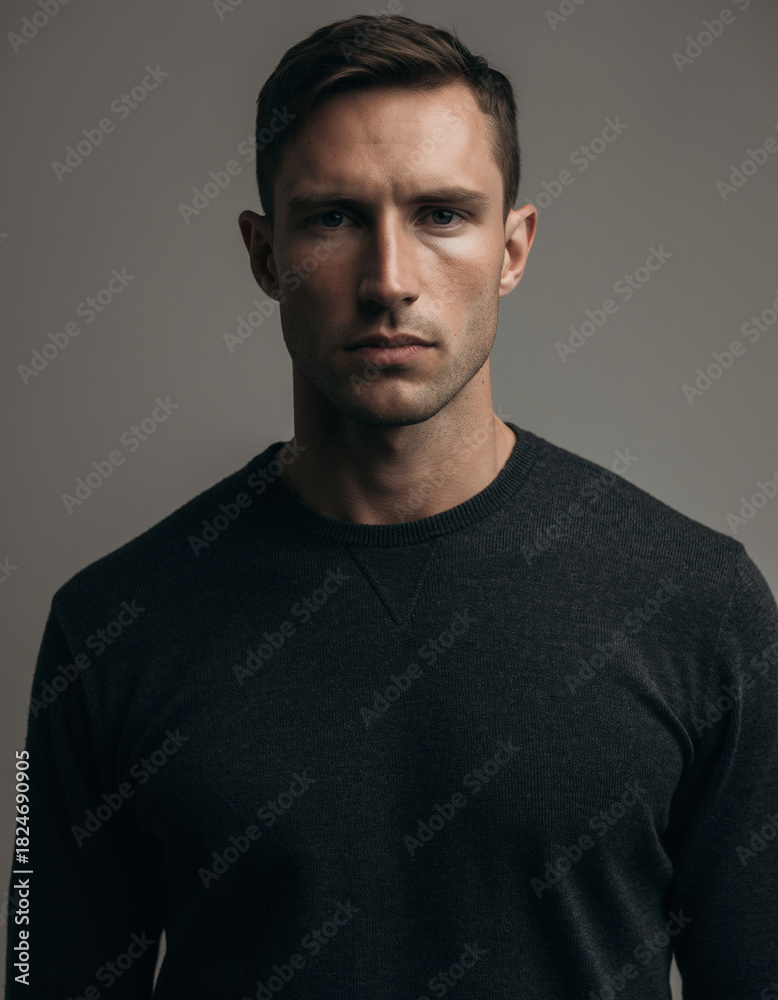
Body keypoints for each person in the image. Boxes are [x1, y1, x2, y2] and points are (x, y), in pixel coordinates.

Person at [6, 12, 778, 999]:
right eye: (332, 218)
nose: (389, 280)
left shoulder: (703, 607)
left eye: (441, 214)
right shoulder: (106, 629)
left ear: (513, 247)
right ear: (260, 251)